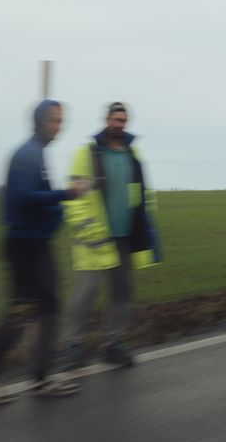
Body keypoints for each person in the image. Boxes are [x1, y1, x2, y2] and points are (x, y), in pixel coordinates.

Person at [0, 100, 86, 404]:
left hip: (33, 245)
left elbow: (35, 200)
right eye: (53, 121)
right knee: (25, 314)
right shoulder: (27, 154)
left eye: (60, 121)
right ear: (39, 121)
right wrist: (66, 194)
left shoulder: (37, 153)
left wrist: (58, 207)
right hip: (26, 248)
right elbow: (24, 197)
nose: (58, 127)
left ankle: (32, 378)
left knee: (43, 310)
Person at [60, 102, 160, 370]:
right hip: (94, 239)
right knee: (85, 294)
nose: (119, 124)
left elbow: (142, 193)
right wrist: (88, 229)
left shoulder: (132, 153)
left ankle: (113, 343)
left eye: (123, 120)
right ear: (105, 119)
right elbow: (74, 197)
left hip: (124, 237)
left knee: (121, 293)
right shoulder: (88, 153)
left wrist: (144, 225)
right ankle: (71, 345)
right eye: (115, 119)